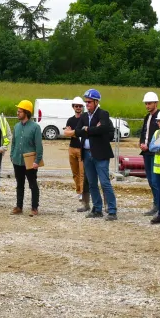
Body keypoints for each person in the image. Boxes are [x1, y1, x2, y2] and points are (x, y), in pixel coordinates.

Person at [73, 89, 116, 221]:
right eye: (86, 102)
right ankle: (97, 209)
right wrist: (90, 130)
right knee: (92, 183)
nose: (87, 104)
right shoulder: (85, 116)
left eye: (89, 102)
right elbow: (78, 131)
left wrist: (88, 129)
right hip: (86, 153)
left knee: (104, 182)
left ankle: (112, 210)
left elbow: (103, 128)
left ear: (96, 102)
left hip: (100, 154)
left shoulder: (103, 114)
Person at [10, 100, 43, 215]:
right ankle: (19, 207)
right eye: (17, 111)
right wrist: (12, 156)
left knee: (32, 184)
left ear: (26, 112)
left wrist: (37, 161)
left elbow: (39, 146)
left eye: (20, 111)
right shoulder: (16, 127)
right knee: (19, 184)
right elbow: (13, 143)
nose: (17, 113)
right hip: (17, 161)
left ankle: (34, 207)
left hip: (30, 163)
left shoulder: (35, 127)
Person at [137, 91, 160, 216]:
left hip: (154, 152)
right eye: (146, 104)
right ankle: (156, 204)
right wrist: (141, 143)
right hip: (146, 152)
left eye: (149, 103)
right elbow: (144, 132)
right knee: (151, 180)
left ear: (156, 103)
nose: (147, 106)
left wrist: (149, 146)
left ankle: (159, 205)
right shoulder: (147, 117)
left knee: (155, 180)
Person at [63, 97, 89, 211]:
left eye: (80, 106)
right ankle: (79, 191)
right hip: (72, 148)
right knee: (75, 173)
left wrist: (73, 132)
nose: (78, 108)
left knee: (83, 173)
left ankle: (83, 193)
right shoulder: (70, 120)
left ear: (82, 107)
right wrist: (76, 133)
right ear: (73, 107)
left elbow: (84, 133)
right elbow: (66, 133)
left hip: (82, 149)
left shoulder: (85, 119)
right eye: (76, 106)